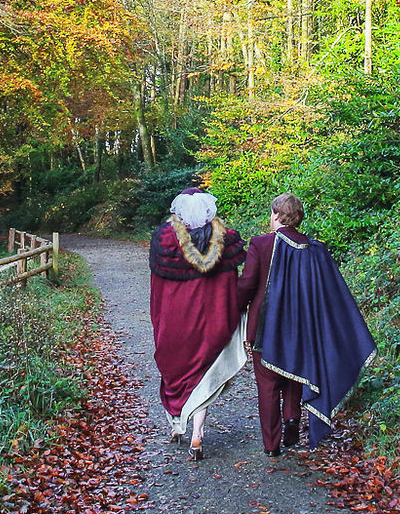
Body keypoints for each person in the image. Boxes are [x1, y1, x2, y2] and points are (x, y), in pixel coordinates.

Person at [233, 192, 376, 453]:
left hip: (266, 329)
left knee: (267, 385)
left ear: (276, 215)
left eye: (271, 213)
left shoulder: (261, 244)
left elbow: (247, 285)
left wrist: (232, 305)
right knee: (293, 376)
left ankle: (272, 445)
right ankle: (292, 423)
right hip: (300, 328)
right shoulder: (314, 248)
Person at [148, 178, 246, 460]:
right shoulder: (225, 240)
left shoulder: (164, 241)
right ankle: (197, 435)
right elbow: (231, 286)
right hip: (212, 326)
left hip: (174, 327)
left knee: (176, 373)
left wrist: (160, 319)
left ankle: (178, 426)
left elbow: (157, 289)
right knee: (204, 375)